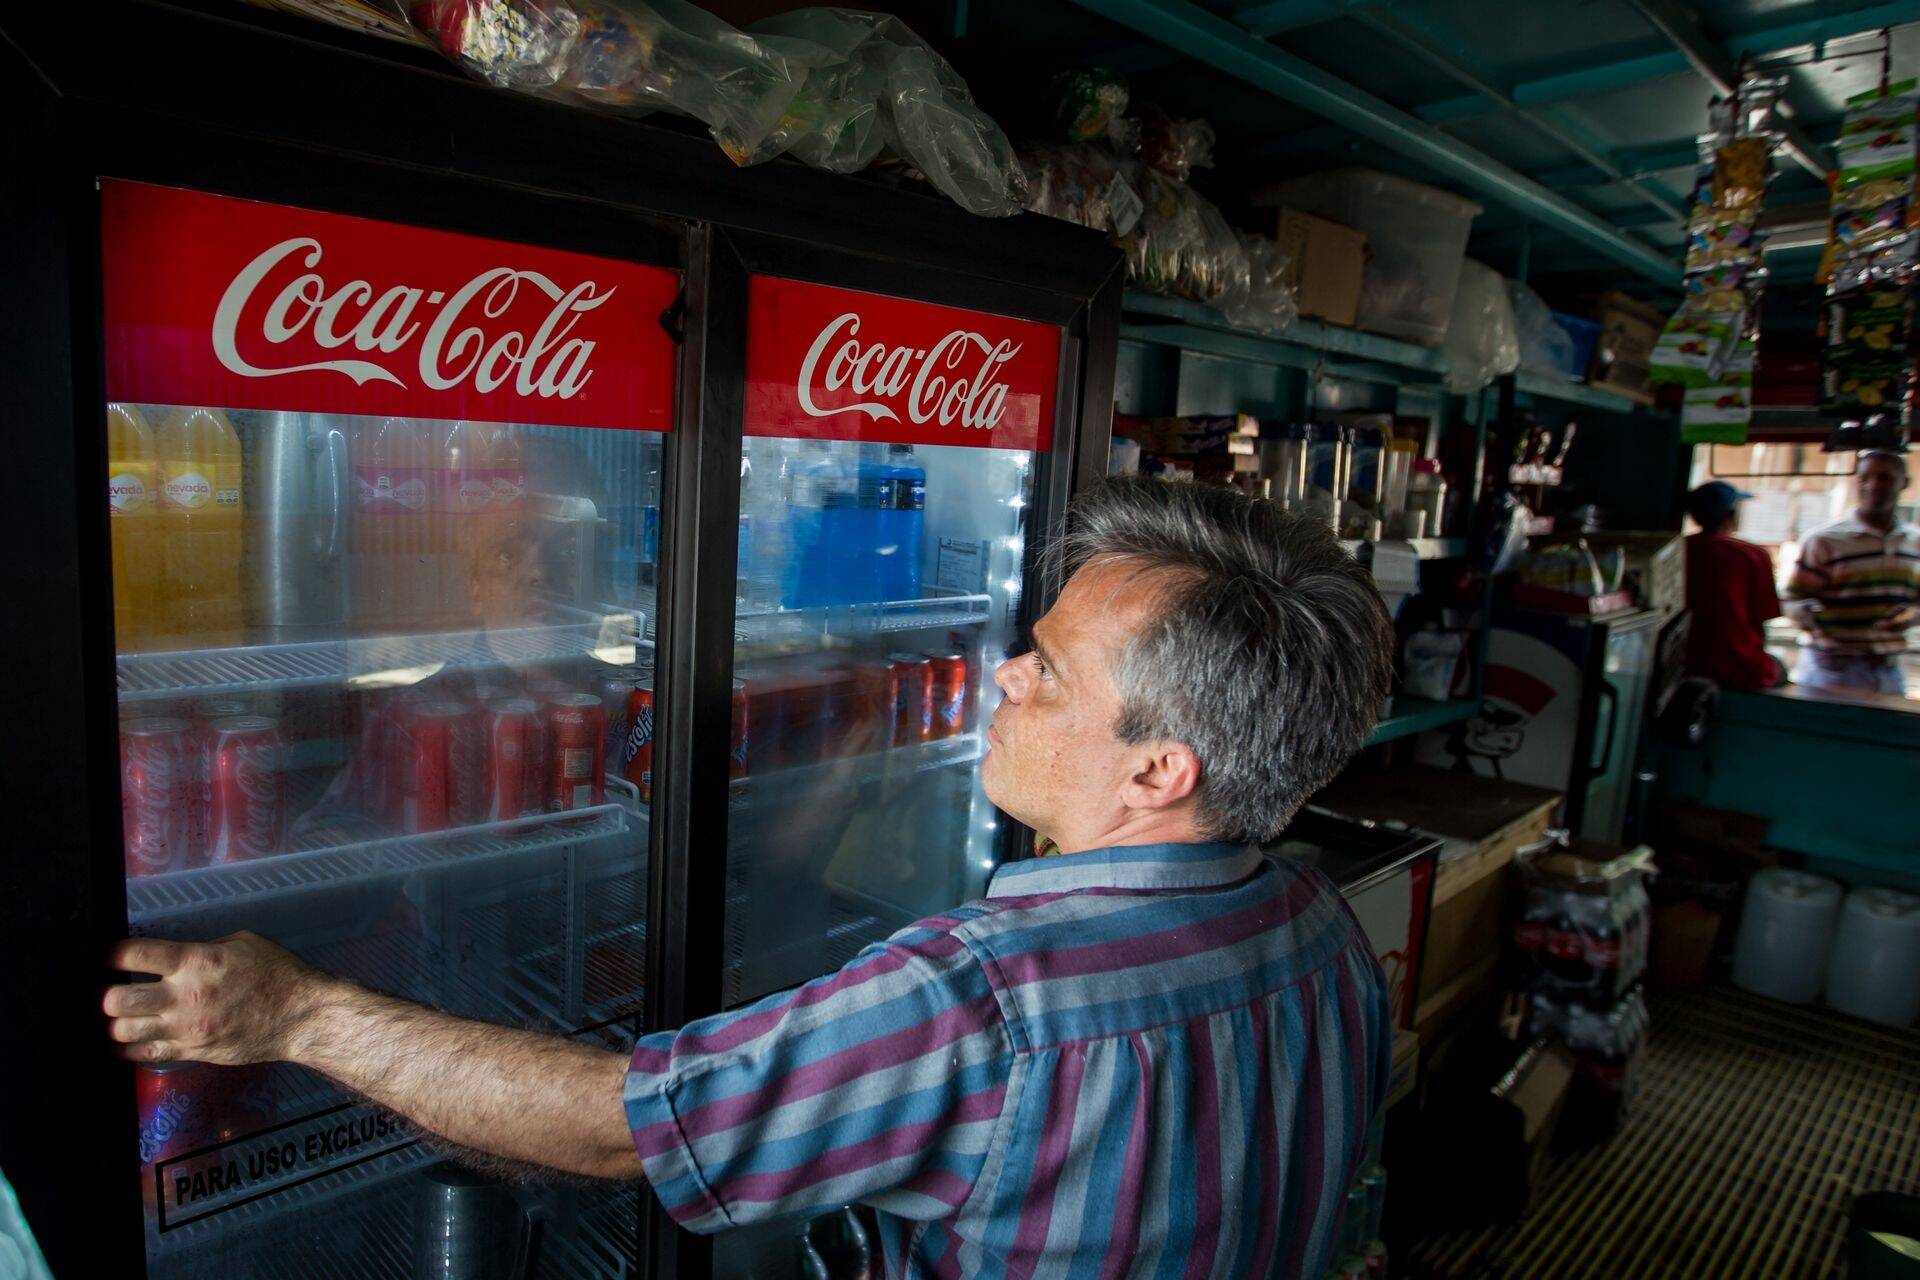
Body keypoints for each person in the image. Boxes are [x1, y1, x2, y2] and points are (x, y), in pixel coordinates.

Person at [102, 477, 1396, 1278]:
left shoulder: (988, 1005)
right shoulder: (1319, 929)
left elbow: (627, 1131)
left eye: (1048, 670)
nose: (1005, 674)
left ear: (1160, 768)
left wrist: (294, 1014)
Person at [1783, 450, 1920, 695]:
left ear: (1905, 483)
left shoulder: (1914, 543)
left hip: (1888, 670)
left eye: (1885, 478)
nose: (1873, 485)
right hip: (1832, 669)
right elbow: (1792, 600)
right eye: (1865, 477)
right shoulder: (1825, 541)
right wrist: (1806, 614)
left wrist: (1911, 616)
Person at [1682, 480, 1784, 690]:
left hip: (1684, 662)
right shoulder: (1751, 555)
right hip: (1738, 665)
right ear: (1730, 515)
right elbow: (1761, 619)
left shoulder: (1678, 550)